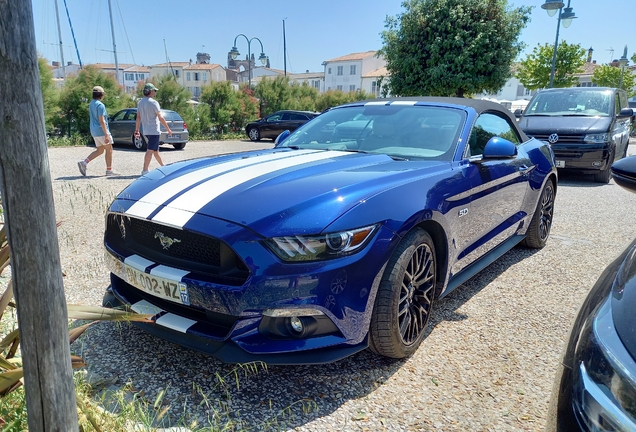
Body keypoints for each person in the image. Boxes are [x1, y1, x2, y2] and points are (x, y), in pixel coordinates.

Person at [78, 85, 118, 176]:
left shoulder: (92, 103)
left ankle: (84, 163)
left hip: (94, 130)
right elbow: (102, 121)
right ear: (101, 94)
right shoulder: (100, 105)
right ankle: (109, 170)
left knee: (100, 150)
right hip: (101, 130)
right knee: (109, 149)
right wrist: (107, 134)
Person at [135, 83, 172, 175]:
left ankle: (163, 167)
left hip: (146, 130)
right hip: (154, 130)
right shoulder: (154, 103)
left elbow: (138, 117)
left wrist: (137, 130)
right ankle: (145, 170)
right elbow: (160, 117)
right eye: (154, 91)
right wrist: (168, 129)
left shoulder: (140, 103)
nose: (155, 92)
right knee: (150, 150)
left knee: (155, 150)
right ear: (151, 91)